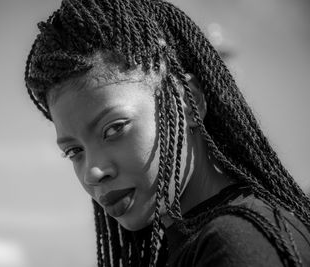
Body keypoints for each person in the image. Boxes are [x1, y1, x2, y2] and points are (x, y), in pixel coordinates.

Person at [23, 0, 310, 266]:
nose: (92, 173)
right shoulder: (182, 246)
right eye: (74, 151)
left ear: (188, 101)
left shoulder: (238, 243)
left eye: (113, 129)